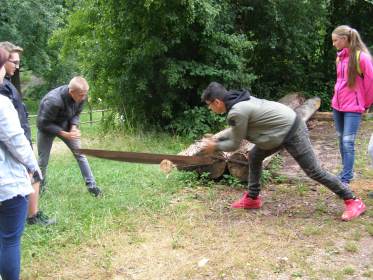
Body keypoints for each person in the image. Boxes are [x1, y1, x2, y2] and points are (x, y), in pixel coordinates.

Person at [200, 81, 366, 221]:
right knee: (255, 155)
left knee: (314, 171)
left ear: (217, 102)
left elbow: (235, 143)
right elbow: (238, 130)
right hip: (278, 132)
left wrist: (214, 146)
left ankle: (353, 200)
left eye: (209, 106)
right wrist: (217, 139)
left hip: (291, 131)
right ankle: (252, 198)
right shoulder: (239, 100)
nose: (210, 109)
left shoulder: (237, 110)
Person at [0, 41, 54, 226]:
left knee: (31, 176)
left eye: (18, 62)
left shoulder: (7, 83)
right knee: (32, 174)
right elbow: (6, 124)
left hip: (21, 135)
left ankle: (31, 214)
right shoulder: (3, 88)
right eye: (13, 62)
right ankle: (32, 216)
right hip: (15, 139)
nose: (17, 66)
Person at [0, 47, 43, 280]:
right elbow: (16, 140)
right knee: (9, 240)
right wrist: (32, 166)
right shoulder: (1, 103)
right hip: (6, 183)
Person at [37, 76, 102, 197]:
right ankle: (40, 188)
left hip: (66, 124)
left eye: (85, 94)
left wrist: (73, 127)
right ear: (71, 91)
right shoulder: (53, 100)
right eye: (81, 95)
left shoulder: (81, 96)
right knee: (42, 161)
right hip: (47, 128)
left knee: (80, 154)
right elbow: (42, 123)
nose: (83, 98)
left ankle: (92, 186)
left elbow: (76, 113)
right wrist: (64, 133)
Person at [331, 25, 373, 185]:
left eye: (335, 40)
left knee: (348, 142)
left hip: (353, 108)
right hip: (338, 106)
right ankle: (346, 172)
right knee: (342, 140)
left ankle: (346, 179)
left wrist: (366, 103)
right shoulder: (340, 57)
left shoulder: (362, 58)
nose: (333, 43)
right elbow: (339, 82)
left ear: (344, 39)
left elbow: (370, 83)